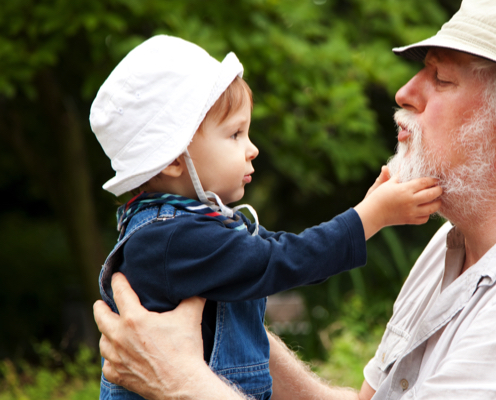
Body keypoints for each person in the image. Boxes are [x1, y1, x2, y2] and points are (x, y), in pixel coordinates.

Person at [94, 0, 496, 399]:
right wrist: (224, 327)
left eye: (441, 78)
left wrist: (182, 380)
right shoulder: (461, 244)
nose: (404, 91)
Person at [90, 35, 442, 400]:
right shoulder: (170, 239)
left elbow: (278, 248)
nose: (252, 148)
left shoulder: (193, 226)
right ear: (176, 159)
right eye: (235, 134)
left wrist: (367, 209)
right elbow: (281, 260)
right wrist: (371, 217)